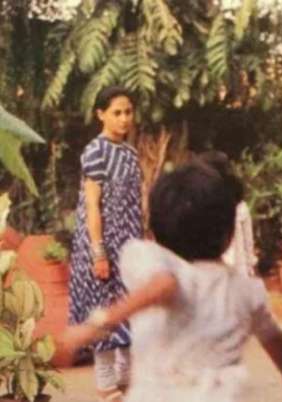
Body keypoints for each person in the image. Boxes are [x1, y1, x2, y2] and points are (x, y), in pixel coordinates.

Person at [60, 163, 282, 402]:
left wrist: (99, 322)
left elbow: (165, 284)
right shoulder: (247, 290)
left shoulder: (143, 256)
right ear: (229, 234)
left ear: (156, 231)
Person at [68, 86, 142, 402]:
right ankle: (105, 383)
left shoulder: (130, 153)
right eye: (117, 113)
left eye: (128, 112)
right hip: (101, 243)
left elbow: (136, 201)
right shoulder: (95, 152)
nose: (124, 119)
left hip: (129, 242)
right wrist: (99, 252)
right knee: (104, 310)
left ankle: (126, 377)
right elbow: (92, 206)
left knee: (129, 307)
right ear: (101, 114)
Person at [196, 151, 259, 277]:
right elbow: (248, 242)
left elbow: (247, 242)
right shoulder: (240, 205)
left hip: (227, 269)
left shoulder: (238, 206)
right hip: (228, 270)